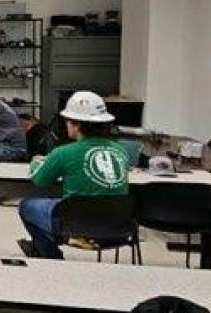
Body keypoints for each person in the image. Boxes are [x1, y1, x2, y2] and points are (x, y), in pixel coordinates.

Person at [16, 91, 129, 259]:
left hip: (76, 222)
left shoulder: (63, 152)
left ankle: (50, 254)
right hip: (116, 225)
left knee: (26, 205)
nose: (66, 125)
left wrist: (36, 163)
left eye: (68, 121)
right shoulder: (121, 151)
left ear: (77, 125)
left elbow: (39, 180)